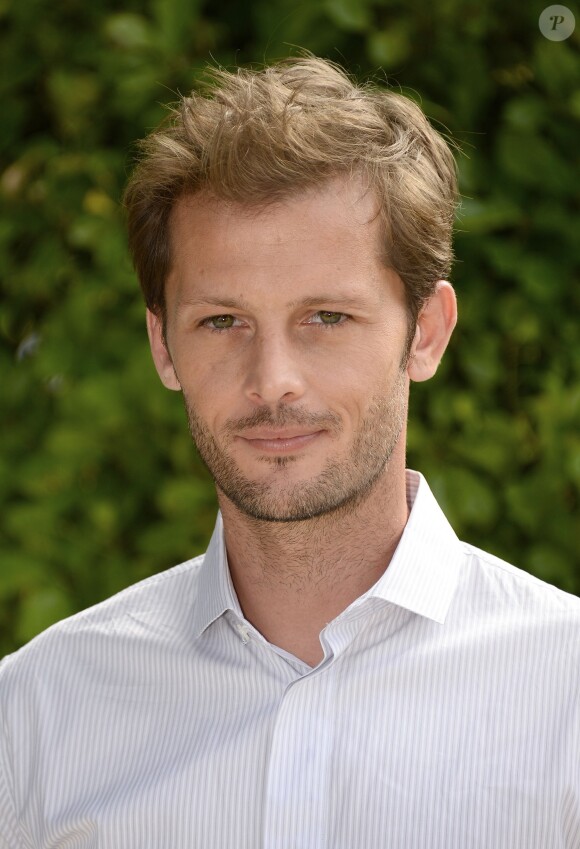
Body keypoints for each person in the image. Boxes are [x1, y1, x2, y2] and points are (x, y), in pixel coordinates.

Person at [1, 55, 579, 849]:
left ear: (429, 332)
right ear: (162, 345)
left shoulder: (566, 696)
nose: (272, 382)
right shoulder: (35, 714)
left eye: (327, 317)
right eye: (222, 321)